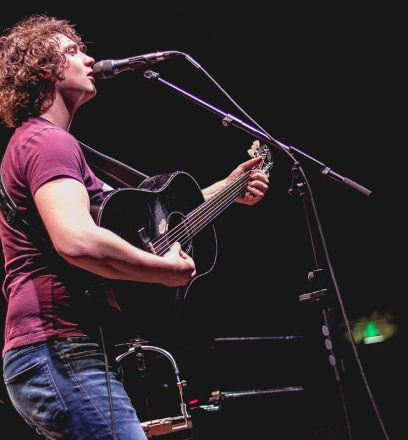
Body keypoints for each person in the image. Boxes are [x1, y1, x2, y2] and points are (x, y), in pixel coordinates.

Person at [0, 14, 269, 440]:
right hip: (58, 347)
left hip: (61, 349)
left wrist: (227, 188)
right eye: (73, 51)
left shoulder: (52, 146)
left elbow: (144, 225)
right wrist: (166, 272)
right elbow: (76, 240)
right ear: (44, 71)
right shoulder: (49, 143)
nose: (89, 59)